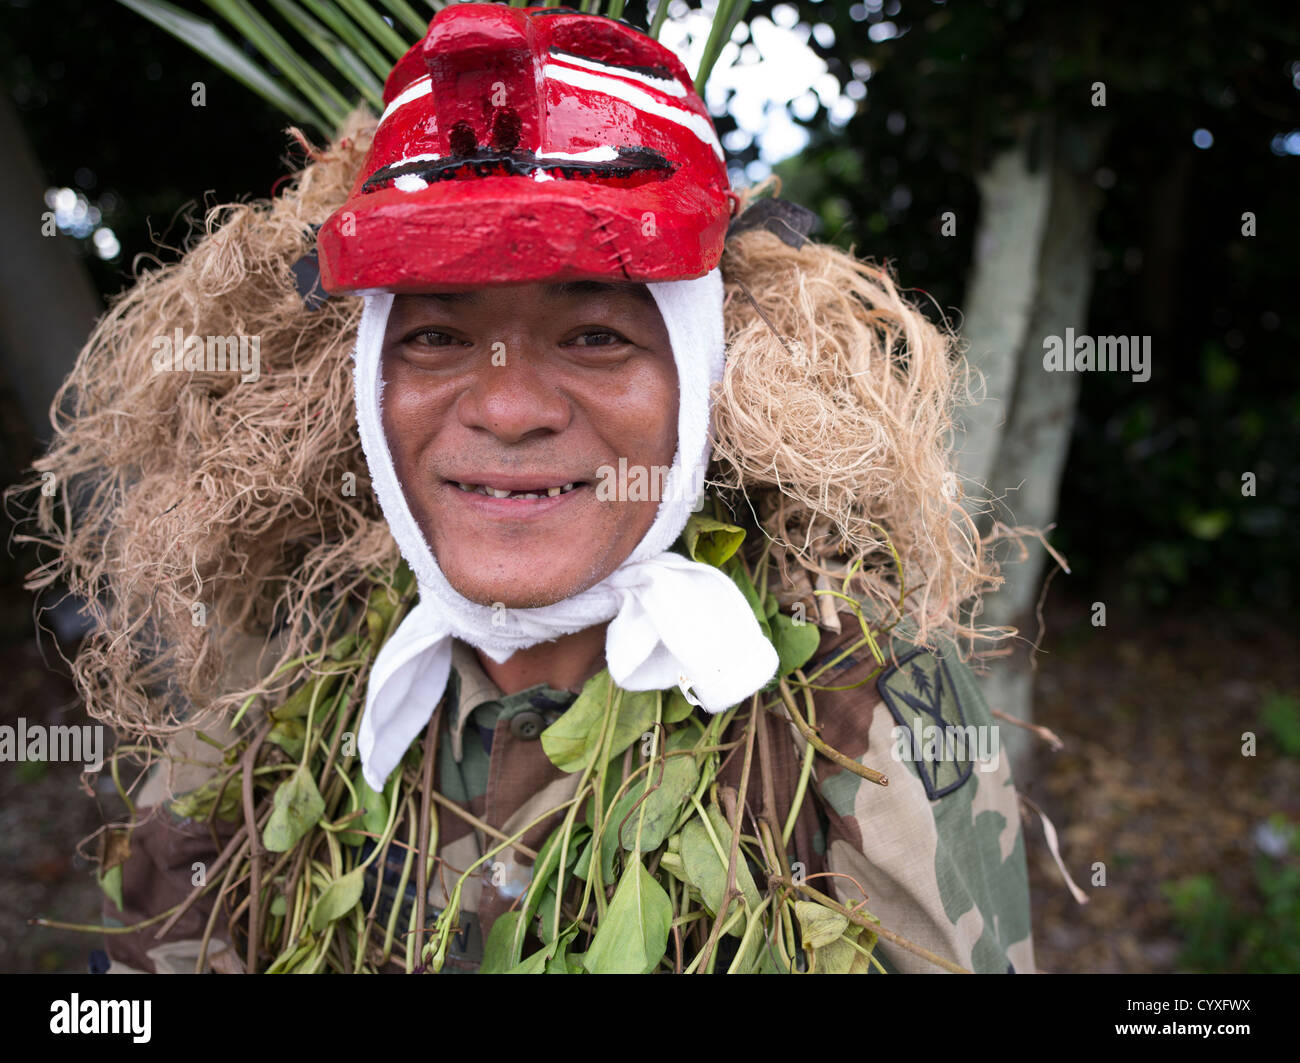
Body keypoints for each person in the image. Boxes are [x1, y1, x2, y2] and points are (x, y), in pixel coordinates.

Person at [17, 3, 1034, 974]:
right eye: (437, 337)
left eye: (594, 336)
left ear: (706, 380)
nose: (507, 408)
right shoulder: (273, 673)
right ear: (371, 389)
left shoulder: (851, 712)